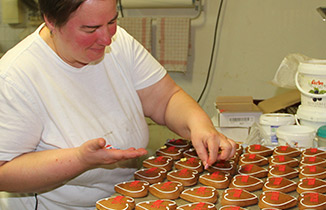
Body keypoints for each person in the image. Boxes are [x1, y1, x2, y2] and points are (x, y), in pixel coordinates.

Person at [0, 0, 236, 209]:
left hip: (129, 196)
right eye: (90, 29)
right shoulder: (15, 77)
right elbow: (3, 172)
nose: (106, 38)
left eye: (111, 21)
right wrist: (80, 160)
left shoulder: (119, 41)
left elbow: (165, 99)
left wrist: (200, 126)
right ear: (51, 21)